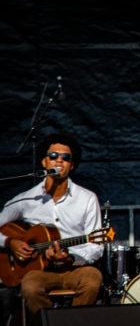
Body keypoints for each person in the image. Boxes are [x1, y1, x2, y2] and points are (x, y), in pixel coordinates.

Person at [0, 133, 104, 317]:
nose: (59, 161)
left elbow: (96, 245)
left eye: (66, 158)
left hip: (75, 269)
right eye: (53, 156)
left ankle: (73, 322)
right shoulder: (27, 199)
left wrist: (71, 258)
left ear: (72, 165)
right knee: (30, 286)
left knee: (93, 279)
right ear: (44, 162)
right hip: (40, 271)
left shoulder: (87, 198)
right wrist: (10, 243)